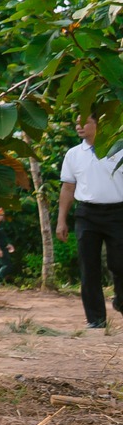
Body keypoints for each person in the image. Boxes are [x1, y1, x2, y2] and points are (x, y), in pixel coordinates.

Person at [56, 116, 123, 330]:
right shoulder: (74, 154)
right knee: (88, 266)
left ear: (99, 124)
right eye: (76, 122)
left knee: (119, 263)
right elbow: (67, 188)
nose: (78, 126)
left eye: (84, 122)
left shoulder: (118, 149)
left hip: (118, 213)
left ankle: (120, 301)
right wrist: (61, 221)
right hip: (87, 214)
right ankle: (96, 319)